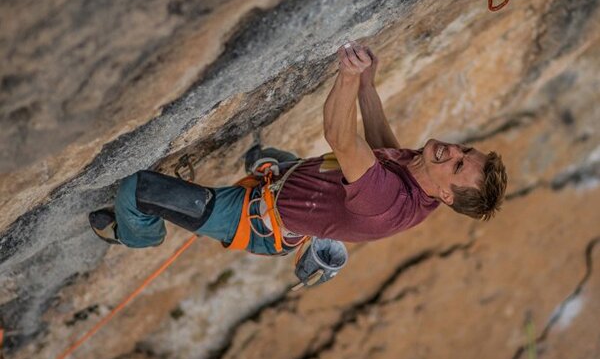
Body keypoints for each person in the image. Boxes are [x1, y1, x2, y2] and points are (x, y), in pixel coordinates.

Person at [89, 42, 507, 255]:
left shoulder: (385, 202)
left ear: (446, 195)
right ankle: (267, 167)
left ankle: (137, 235)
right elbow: (384, 151)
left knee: (137, 190)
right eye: (465, 151)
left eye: (457, 166)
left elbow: (341, 138)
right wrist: (367, 86)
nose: (452, 151)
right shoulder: (423, 176)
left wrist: (347, 76)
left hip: (255, 220)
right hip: (293, 186)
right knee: (263, 157)